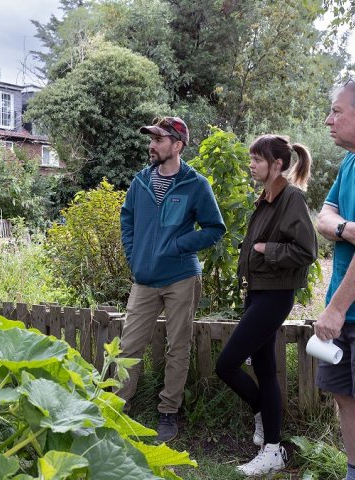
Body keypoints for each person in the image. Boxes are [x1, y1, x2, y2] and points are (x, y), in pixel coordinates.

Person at [117, 116, 226, 442]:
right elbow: (128, 220)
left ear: (177, 145)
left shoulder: (195, 184)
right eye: (151, 138)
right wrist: (133, 255)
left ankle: (168, 411)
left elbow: (214, 229)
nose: (151, 144)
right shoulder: (140, 182)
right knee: (128, 347)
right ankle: (114, 407)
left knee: (177, 347)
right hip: (145, 280)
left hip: (181, 277)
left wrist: (181, 244)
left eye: (159, 139)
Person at [215, 134, 318, 476]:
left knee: (226, 365)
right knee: (263, 370)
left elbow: (307, 252)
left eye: (257, 160)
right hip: (257, 291)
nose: (251, 164)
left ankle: (265, 421)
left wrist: (265, 251)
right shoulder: (268, 197)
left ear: (277, 164)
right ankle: (272, 447)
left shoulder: (291, 198)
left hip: (275, 295)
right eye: (251, 159)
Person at [315, 78, 355, 480]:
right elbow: (323, 218)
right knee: (345, 397)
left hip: (344, 310)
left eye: (337, 112)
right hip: (344, 312)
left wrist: (336, 309)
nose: (328, 120)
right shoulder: (349, 163)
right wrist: (346, 227)